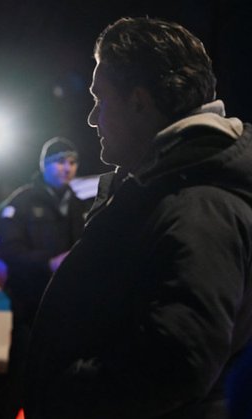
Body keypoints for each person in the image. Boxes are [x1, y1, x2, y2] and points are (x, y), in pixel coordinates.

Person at [24, 17, 252, 418]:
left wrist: (66, 394)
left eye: (100, 99)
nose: (92, 118)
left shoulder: (198, 204)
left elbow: (179, 360)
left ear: (139, 101)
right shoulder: (169, 187)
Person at [0, 136, 87, 419]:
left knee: (60, 377)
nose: (67, 168)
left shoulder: (78, 205)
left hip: (66, 306)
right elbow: (8, 250)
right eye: (60, 162)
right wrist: (48, 263)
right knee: (22, 373)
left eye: (72, 162)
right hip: (30, 303)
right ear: (44, 165)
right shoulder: (23, 201)